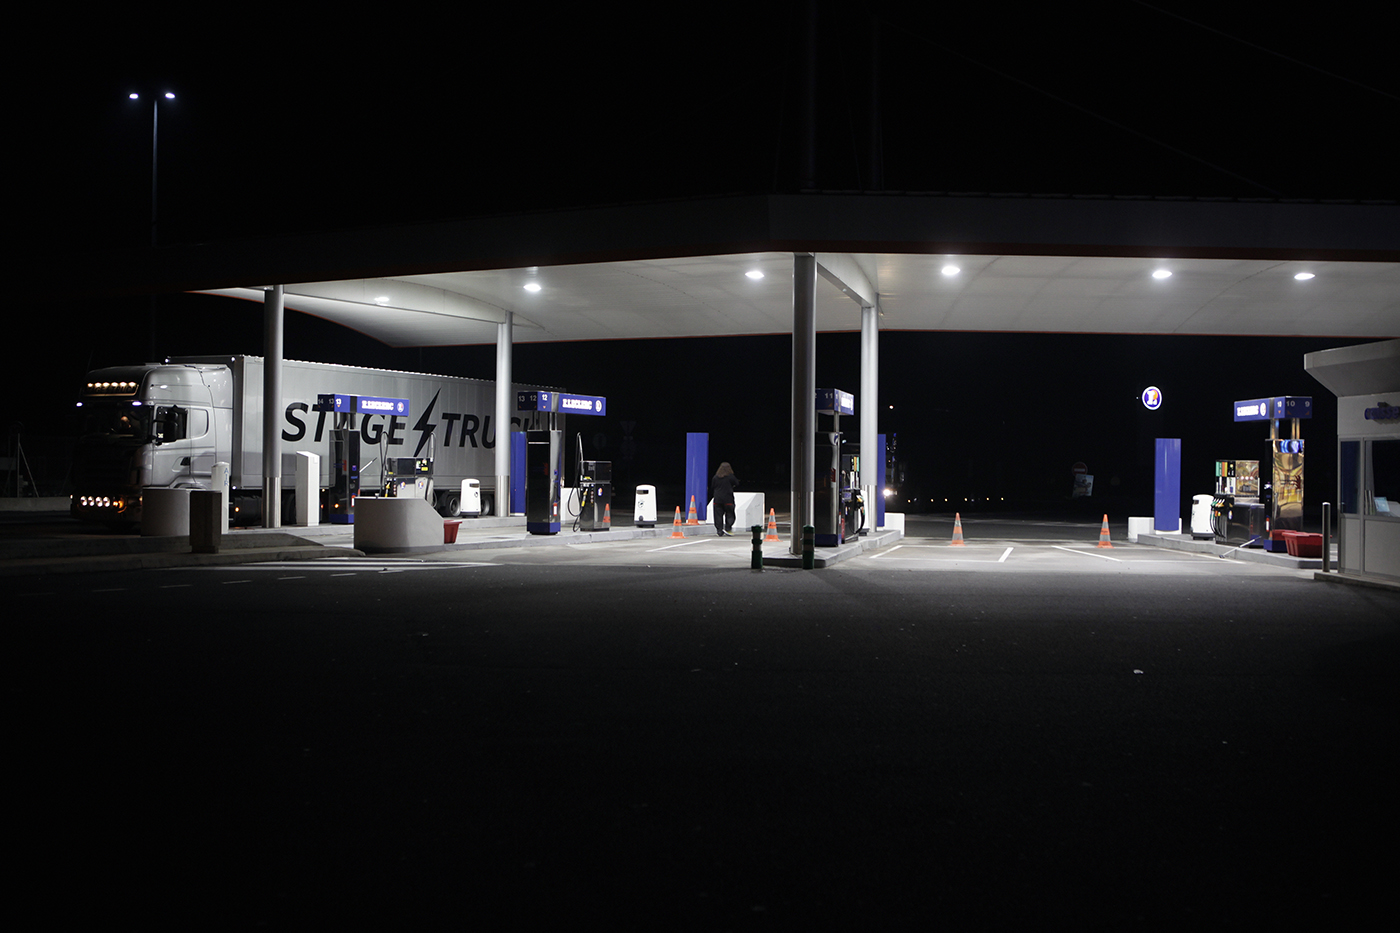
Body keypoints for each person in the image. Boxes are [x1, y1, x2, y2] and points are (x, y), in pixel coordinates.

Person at [711, 462, 739, 536]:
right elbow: (737, 483)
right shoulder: (730, 477)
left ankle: (719, 530)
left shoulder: (715, 477)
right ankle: (728, 528)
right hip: (728, 499)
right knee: (730, 514)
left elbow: (712, 486)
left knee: (718, 515)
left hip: (717, 499)